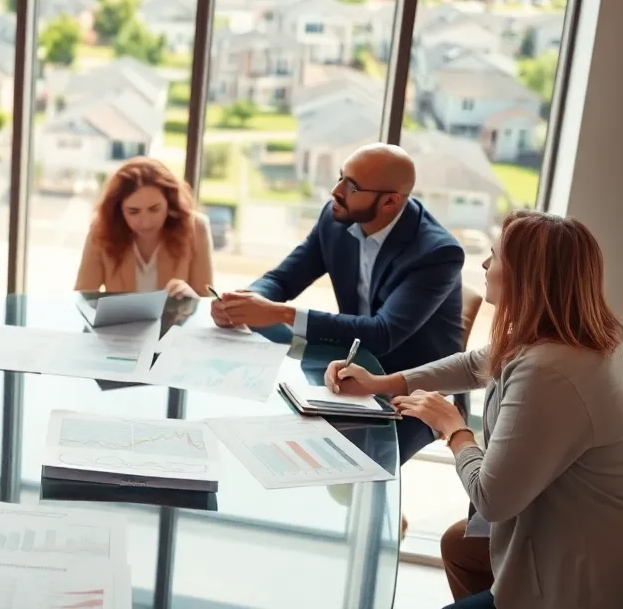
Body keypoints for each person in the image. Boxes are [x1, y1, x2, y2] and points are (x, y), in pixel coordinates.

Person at [327, 211, 623, 609]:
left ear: (526, 276)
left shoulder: (549, 371)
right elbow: (471, 365)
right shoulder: (546, 339)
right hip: (557, 531)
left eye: (495, 256)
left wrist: (453, 428)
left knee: (463, 546)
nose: (484, 264)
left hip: (574, 578)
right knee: (458, 544)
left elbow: (492, 499)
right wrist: (381, 383)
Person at [212, 142, 465, 463]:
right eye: (340, 177)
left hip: (413, 389)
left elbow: (383, 333)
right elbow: (283, 279)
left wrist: (279, 313)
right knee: (268, 436)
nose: (336, 191)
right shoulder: (336, 218)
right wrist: (243, 302)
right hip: (347, 368)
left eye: (352, 186)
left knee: (355, 464)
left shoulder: (437, 253)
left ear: (390, 201)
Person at [74, 156, 212, 298]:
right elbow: (83, 296)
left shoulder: (196, 228)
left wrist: (191, 298)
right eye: (133, 212)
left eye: (155, 209)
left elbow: (206, 297)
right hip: (121, 314)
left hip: (178, 314)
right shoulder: (102, 229)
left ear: (170, 203)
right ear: (118, 210)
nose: (146, 223)